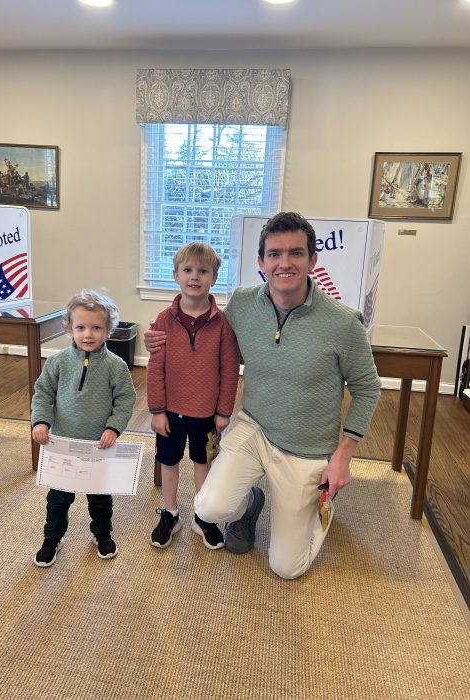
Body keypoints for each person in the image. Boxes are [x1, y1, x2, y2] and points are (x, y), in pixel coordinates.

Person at [145, 212, 381, 579]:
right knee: (208, 507)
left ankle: (319, 507)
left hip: (305, 447)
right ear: (261, 262)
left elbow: (368, 388)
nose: (284, 263)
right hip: (253, 429)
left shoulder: (343, 322)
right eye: (274, 254)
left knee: (286, 567)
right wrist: (160, 341)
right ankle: (251, 503)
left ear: (313, 260)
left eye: (296, 253)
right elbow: (213, 349)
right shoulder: (242, 304)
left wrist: (343, 457)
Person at [32, 289, 136, 567]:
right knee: (58, 499)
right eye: (80, 327)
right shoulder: (57, 362)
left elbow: (126, 399)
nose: (88, 334)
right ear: (69, 328)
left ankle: (101, 534)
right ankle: (52, 538)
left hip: (98, 447)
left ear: (108, 329)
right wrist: (41, 421)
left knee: (100, 497)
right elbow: (43, 393)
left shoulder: (116, 366)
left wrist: (114, 427)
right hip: (63, 445)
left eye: (96, 327)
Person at [147, 242, 240, 550]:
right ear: (176, 275)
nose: (195, 277)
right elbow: (155, 367)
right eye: (188, 270)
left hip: (206, 413)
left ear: (214, 277)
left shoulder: (223, 323)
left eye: (203, 271)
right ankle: (170, 512)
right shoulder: (163, 320)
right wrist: (157, 410)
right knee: (169, 462)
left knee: (204, 463)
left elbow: (229, 370)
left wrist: (224, 411)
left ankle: (204, 516)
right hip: (170, 412)